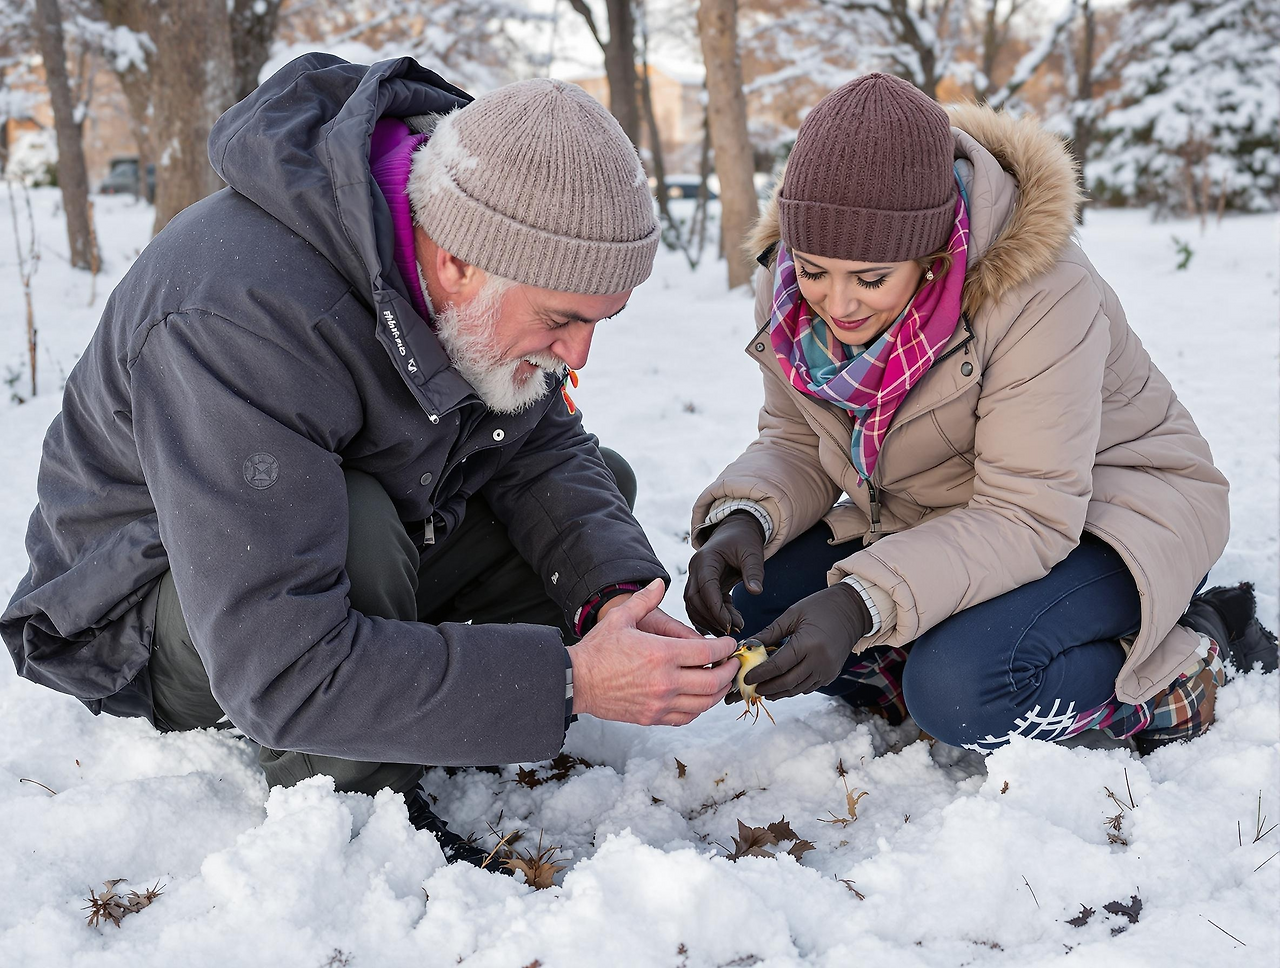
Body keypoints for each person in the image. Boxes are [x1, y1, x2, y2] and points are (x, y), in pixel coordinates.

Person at [2, 54, 739, 866]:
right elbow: (285, 666)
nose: (583, 354)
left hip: (339, 558)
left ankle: (399, 679)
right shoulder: (236, 318)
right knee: (358, 527)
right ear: (458, 259)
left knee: (591, 505)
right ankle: (365, 806)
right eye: (563, 319)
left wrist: (613, 596)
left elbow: (542, 448)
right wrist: (572, 682)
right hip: (155, 622)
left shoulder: (455, 267)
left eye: (604, 321)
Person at [685, 74, 1275, 755]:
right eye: (815, 268)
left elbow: (1027, 513)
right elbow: (798, 437)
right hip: (952, 516)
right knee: (758, 601)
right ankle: (927, 662)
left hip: (1111, 517)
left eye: (870, 279)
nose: (835, 303)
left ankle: (1191, 656)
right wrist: (746, 518)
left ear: (935, 249)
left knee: (964, 691)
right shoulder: (789, 292)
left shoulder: (1041, 294)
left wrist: (860, 604)